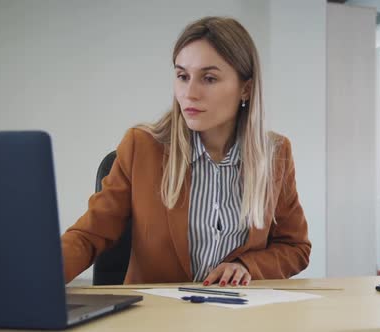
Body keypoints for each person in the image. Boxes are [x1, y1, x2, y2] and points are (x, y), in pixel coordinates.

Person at [61, 16, 311, 287]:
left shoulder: (274, 155)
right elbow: (90, 234)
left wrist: (246, 266)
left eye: (209, 78)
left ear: (246, 89)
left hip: (239, 316)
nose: (189, 93)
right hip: (159, 318)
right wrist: (35, 278)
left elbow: (295, 247)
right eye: (182, 76)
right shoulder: (141, 147)